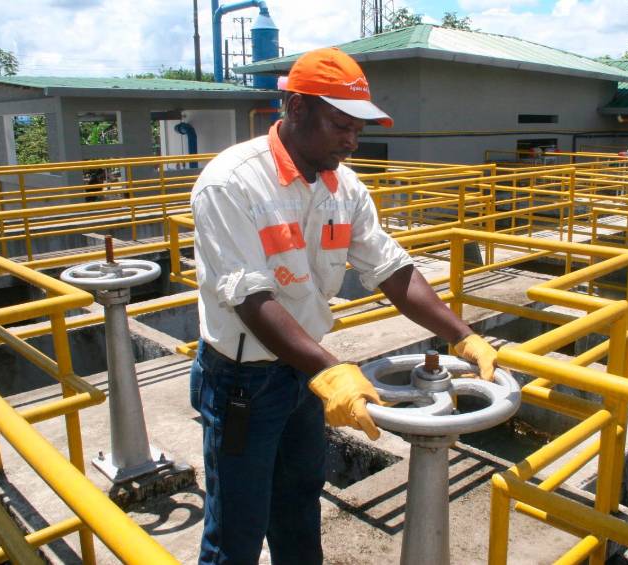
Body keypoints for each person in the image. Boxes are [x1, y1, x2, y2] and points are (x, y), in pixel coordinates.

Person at [189, 47, 497, 565]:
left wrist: (460, 334)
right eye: (340, 125)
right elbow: (250, 298)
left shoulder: (345, 188)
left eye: (359, 128)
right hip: (242, 382)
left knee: (299, 510)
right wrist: (333, 372)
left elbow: (392, 271)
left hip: (305, 375)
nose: (352, 141)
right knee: (237, 531)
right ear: (295, 108)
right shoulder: (232, 183)